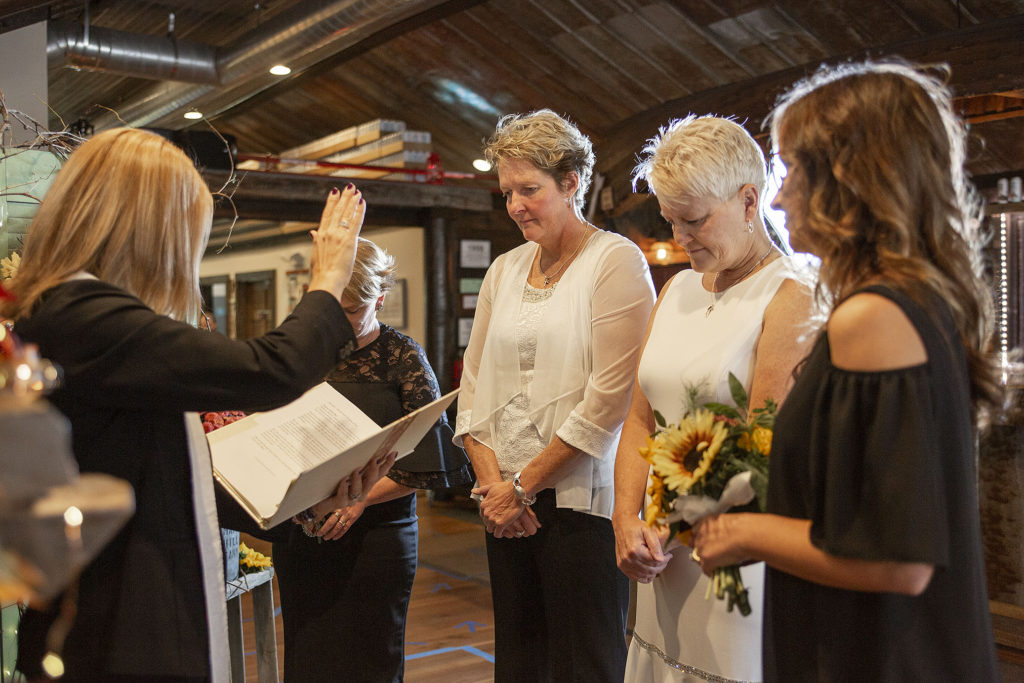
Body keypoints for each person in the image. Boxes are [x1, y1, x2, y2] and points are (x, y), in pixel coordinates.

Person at [9, 127, 392, 682]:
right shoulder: (81, 310)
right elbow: (272, 370)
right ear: (143, 230)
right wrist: (329, 277)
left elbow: (161, 467)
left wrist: (303, 502)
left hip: (125, 597)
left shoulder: (73, 309)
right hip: (116, 618)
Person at [691, 61, 1002, 681]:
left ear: (849, 179)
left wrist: (743, 533)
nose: (778, 197)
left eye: (791, 172)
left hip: (881, 657)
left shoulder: (874, 318)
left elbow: (899, 560)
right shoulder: (912, 299)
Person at [454, 109, 655, 681]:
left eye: (529, 190)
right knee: (519, 659)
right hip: (503, 505)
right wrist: (495, 487)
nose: (515, 205)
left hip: (579, 504)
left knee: (582, 661)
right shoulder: (503, 269)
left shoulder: (615, 261)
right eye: (507, 192)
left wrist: (523, 487)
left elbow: (610, 401)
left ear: (571, 183)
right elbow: (473, 386)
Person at [614, 115, 813, 682]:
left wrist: (665, 524)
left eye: (695, 219)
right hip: (655, 552)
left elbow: (761, 442)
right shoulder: (675, 287)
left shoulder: (791, 293)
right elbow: (639, 417)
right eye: (671, 219)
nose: (680, 237)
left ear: (750, 201)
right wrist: (624, 518)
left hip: (733, 547)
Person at [271, 238, 472, 683]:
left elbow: (426, 459)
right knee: (307, 657)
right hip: (304, 528)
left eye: (351, 310)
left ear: (380, 298)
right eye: (328, 307)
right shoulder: (301, 350)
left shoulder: (403, 357)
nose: (337, 322)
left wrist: (357, 500)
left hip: (377, 537)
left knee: (372, 660)